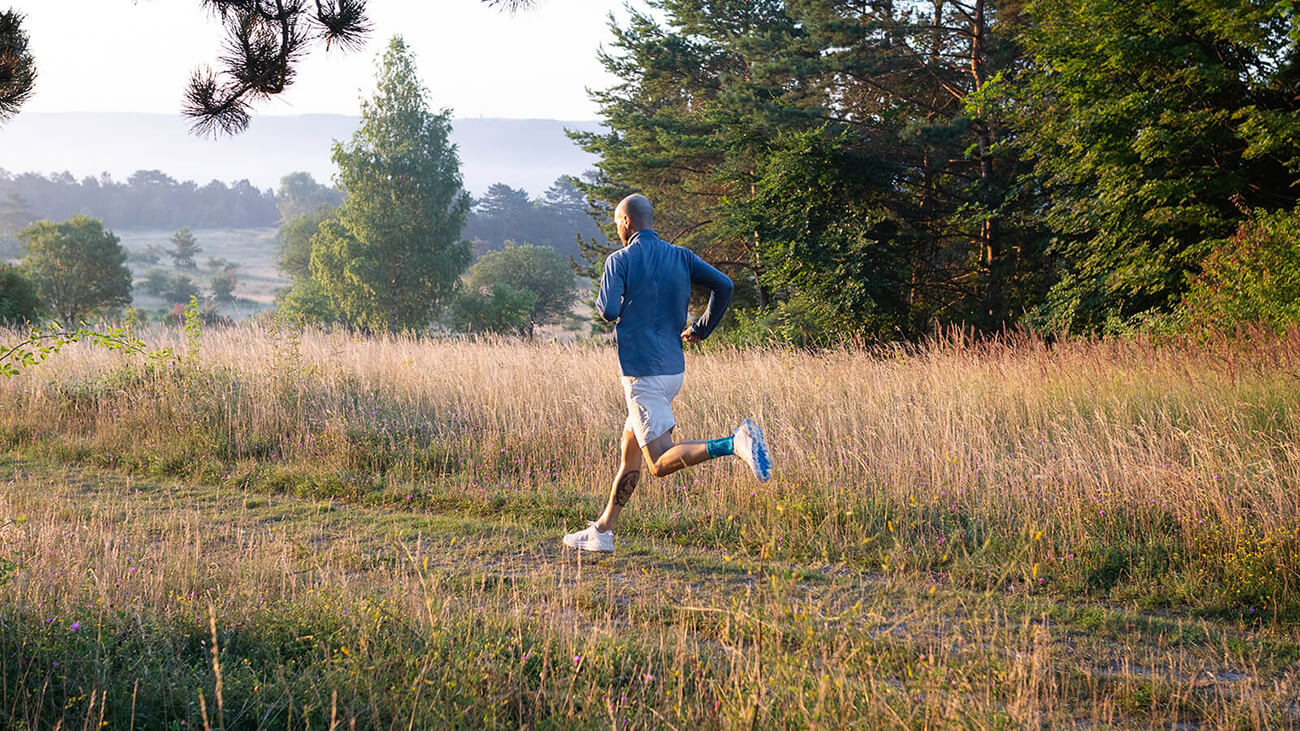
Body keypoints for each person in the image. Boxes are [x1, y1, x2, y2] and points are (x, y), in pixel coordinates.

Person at [562, 194, 772, 553]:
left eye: (617, 223)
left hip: (642, 374)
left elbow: (609, 311)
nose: (617, 229)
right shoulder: (682, 256)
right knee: (630, 453)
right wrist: (701, 329)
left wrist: (608, 300)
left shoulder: (620, 260)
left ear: (627, 222)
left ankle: (734, 443)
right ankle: (602, 531)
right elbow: (725, 286)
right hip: (673, 369)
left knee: (658, 462)